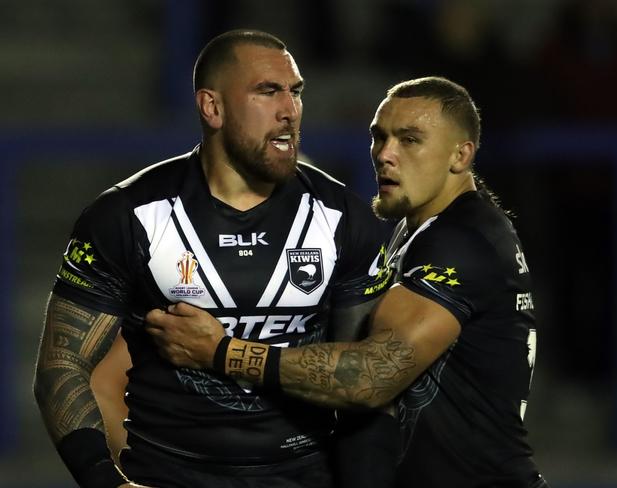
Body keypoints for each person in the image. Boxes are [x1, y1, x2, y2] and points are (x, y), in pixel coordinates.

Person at [146, 76, 549, 487]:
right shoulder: (425, 230)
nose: (385, 154)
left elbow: (370, 377)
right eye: (379, 136)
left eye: (409, 140)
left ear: (460, 155)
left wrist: (221, 352)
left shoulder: (459, 241)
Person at [33, 29, 392, 488]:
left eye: (295, 92)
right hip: (167, 475)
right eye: (267, 91)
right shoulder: (130, 216)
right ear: (212, 107)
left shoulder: (343, 218)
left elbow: (370, 382)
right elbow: (62, 363)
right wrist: (105, 481)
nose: (290, 110)